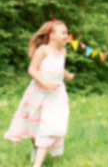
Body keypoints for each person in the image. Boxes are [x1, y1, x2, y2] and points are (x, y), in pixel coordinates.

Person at [4, 18, 75, 167]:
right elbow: (32, 69)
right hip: (38, 92)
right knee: (34, 125)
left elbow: (58, 68)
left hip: (56, 95)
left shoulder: (63, 51)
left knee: (49, 126)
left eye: (66, 33)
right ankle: (36, 147)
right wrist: (46, 83)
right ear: (52, 35)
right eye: (63, 33)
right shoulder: (43, 50)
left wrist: (67, 76)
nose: (66, 36)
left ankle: (37, 165)